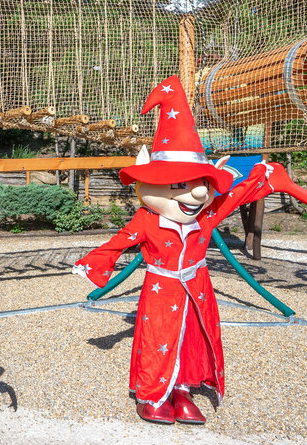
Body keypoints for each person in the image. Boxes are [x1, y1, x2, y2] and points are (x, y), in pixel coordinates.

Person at [73, 75, 275, 425]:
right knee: (158, 337)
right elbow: (118, 242)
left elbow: (238, 194)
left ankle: (181, 388)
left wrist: (263, 175)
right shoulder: (147, 220)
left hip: (197, 288)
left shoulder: (207, 216)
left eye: (201, 184)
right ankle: (152, 394)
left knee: (193, 336)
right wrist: (92, 264)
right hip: (161, 286)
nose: (196, 195)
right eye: (182, 184)